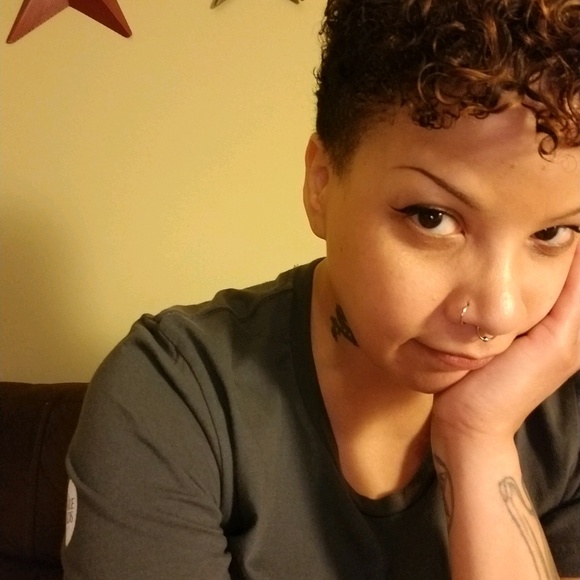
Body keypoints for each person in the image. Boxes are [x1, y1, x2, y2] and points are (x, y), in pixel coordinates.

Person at [62, 1, 580, 578]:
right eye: (431, 218)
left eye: (553, 233)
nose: (498, 312)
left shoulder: (566, 416)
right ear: (322, 183)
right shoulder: (177, 394)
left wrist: (478, 438)